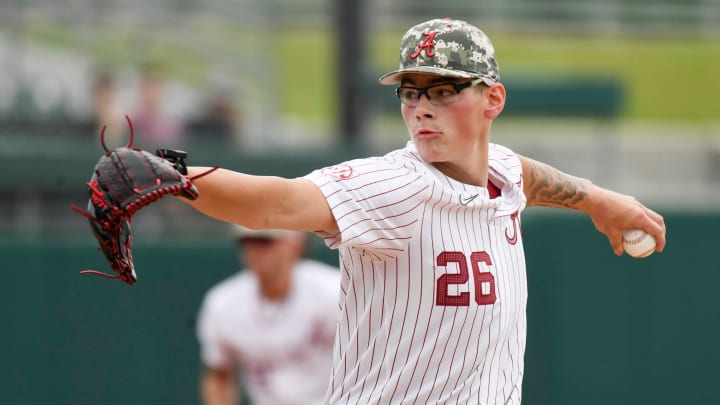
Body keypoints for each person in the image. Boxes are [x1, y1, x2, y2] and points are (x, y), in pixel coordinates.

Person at [180, 18, 666, 404]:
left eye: (442, 90)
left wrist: (600, 200)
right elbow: (276, 204)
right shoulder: (393, 186)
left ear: (492, 99)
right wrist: (173, 178)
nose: (421, 108)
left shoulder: (501, 171)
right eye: (410, 92)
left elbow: (522, 174)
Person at [196, 226, 340, 405]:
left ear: (295, 244)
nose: (254, 250)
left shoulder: (334, 292)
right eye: (247, 242)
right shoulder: (223, 302)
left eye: (265, 241)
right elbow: (218, 374)